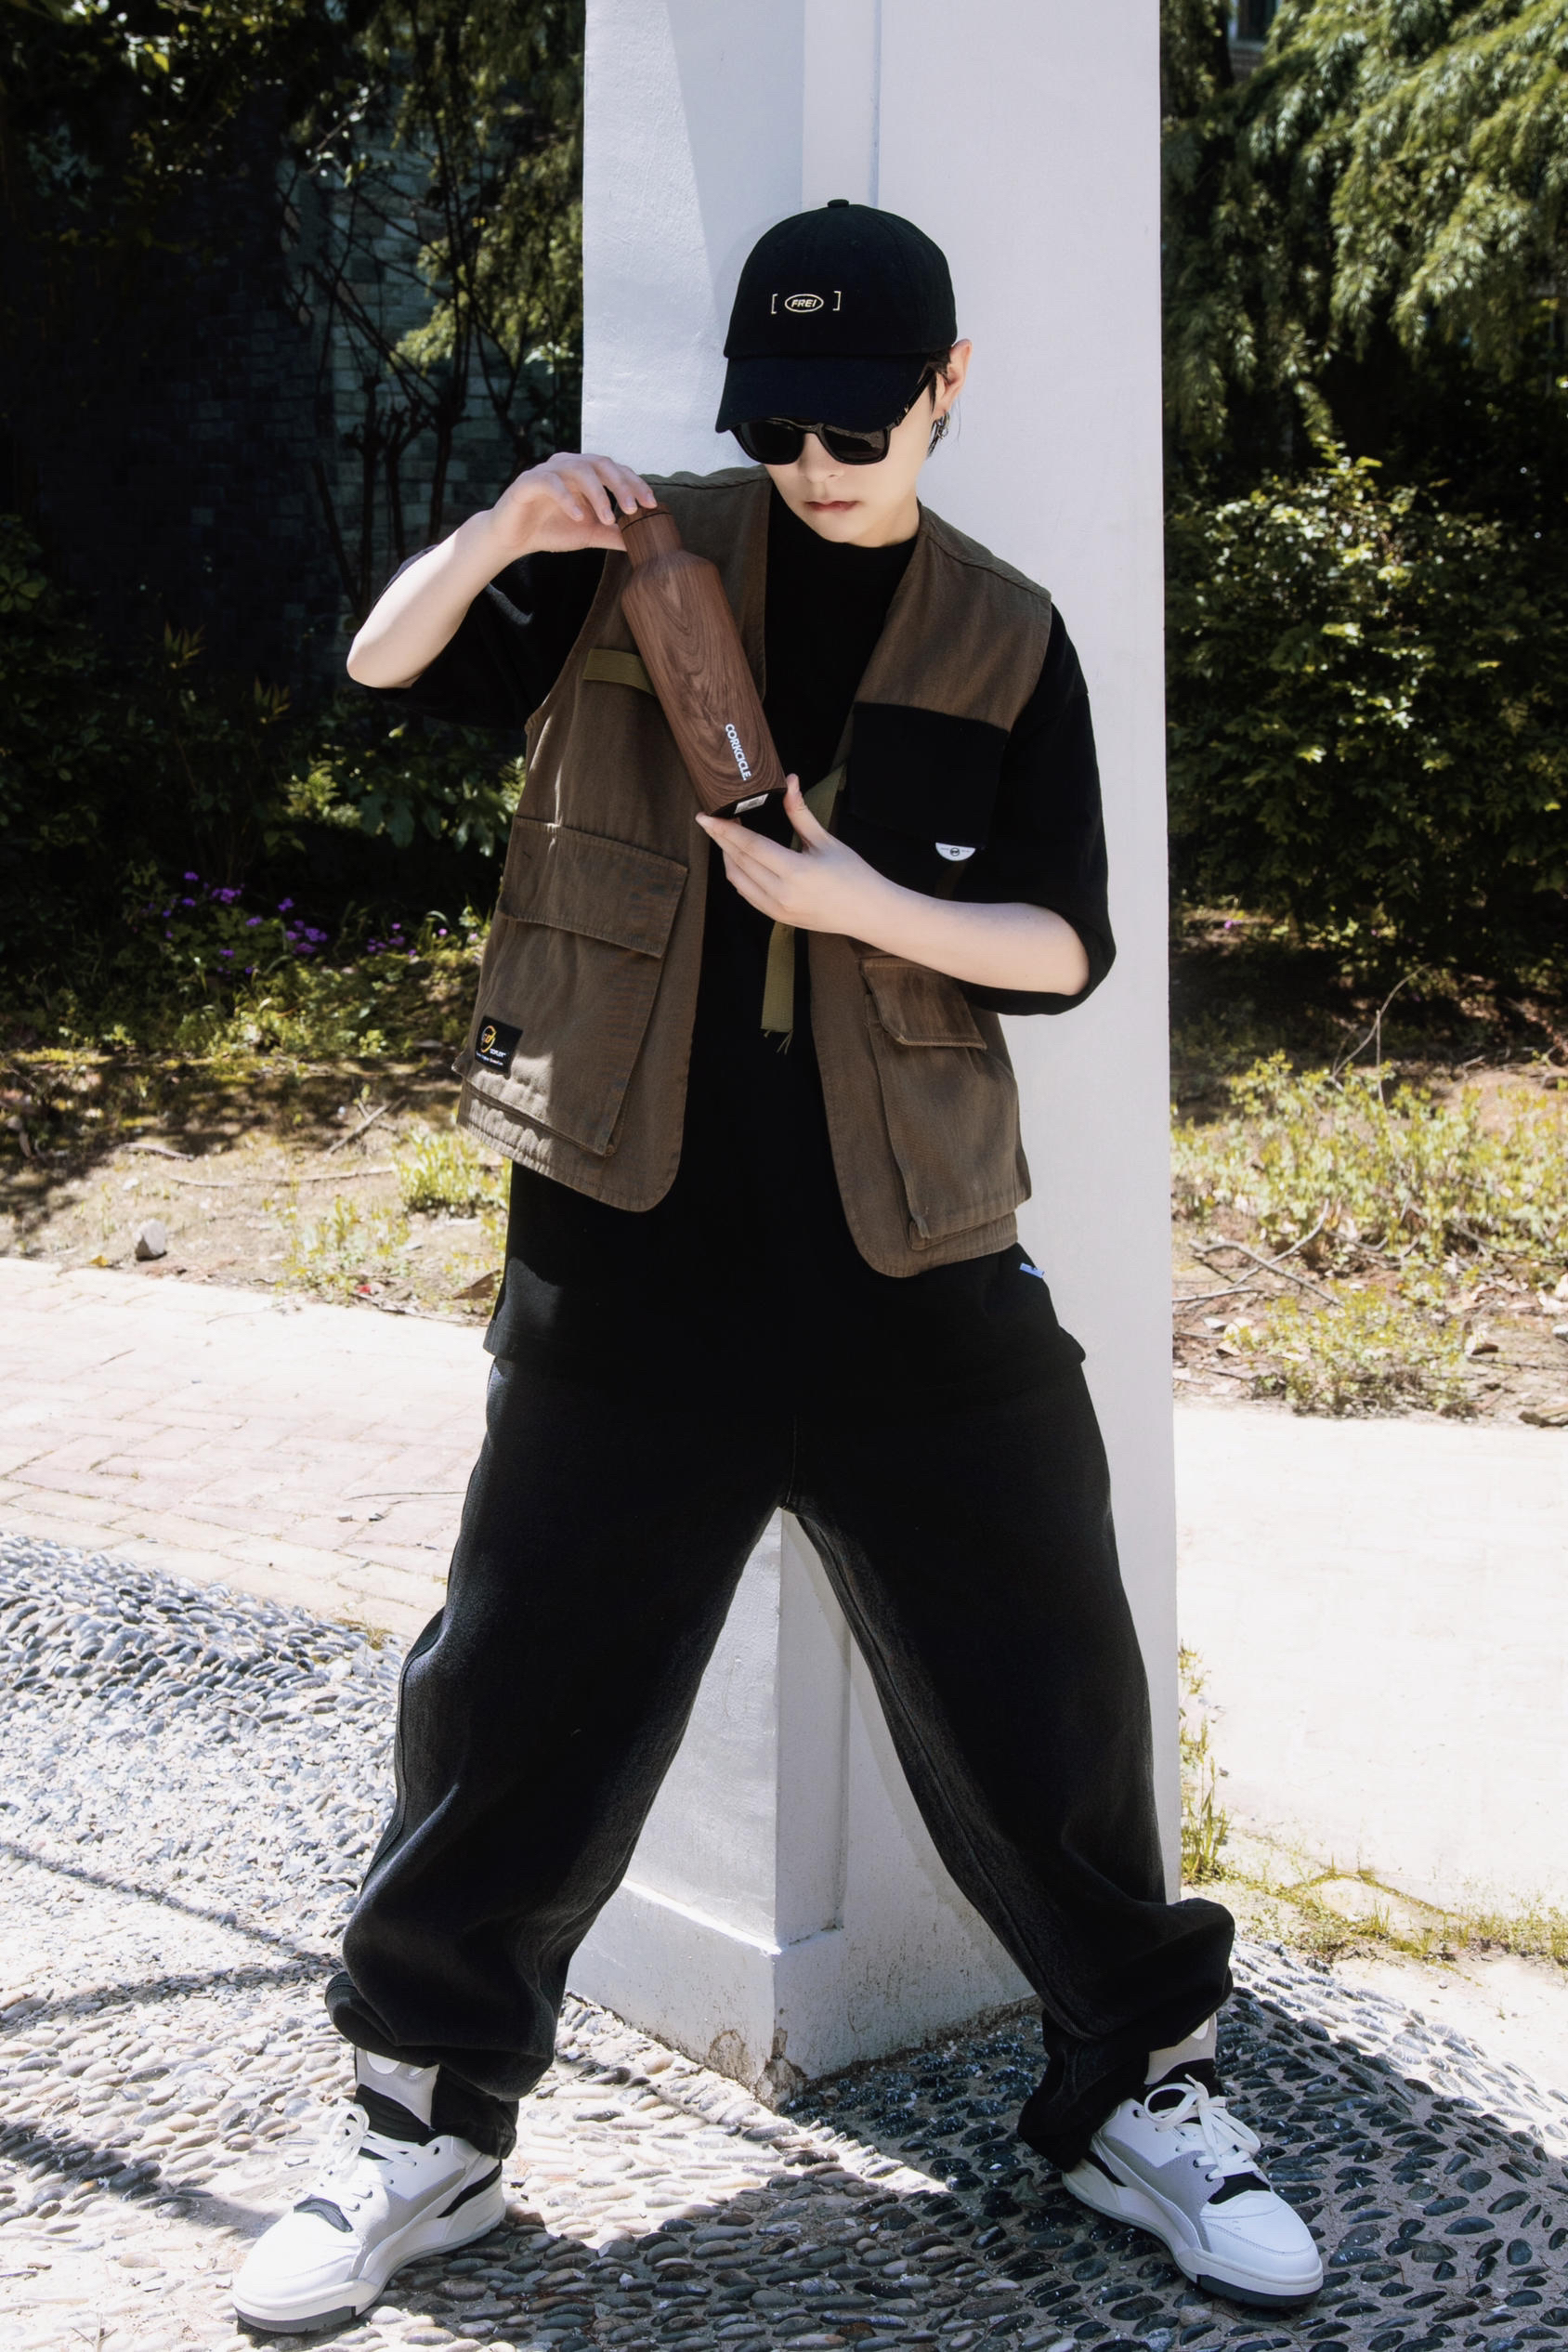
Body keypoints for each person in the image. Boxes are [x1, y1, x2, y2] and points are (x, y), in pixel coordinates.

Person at [233, 202, 1322, 2334]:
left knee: (1051, 1677)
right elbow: (377, 666)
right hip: (626, 1250)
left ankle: (1141, 2092)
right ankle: (422, 2125)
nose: (818, 464)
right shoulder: (634, 557)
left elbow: (1062, 945)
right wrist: (498, 531)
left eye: (859, 423)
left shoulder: (1004, 632)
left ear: (945, 386)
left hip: (911, 1255)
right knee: (516, 1694)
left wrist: (846, 902)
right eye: (783, 425)